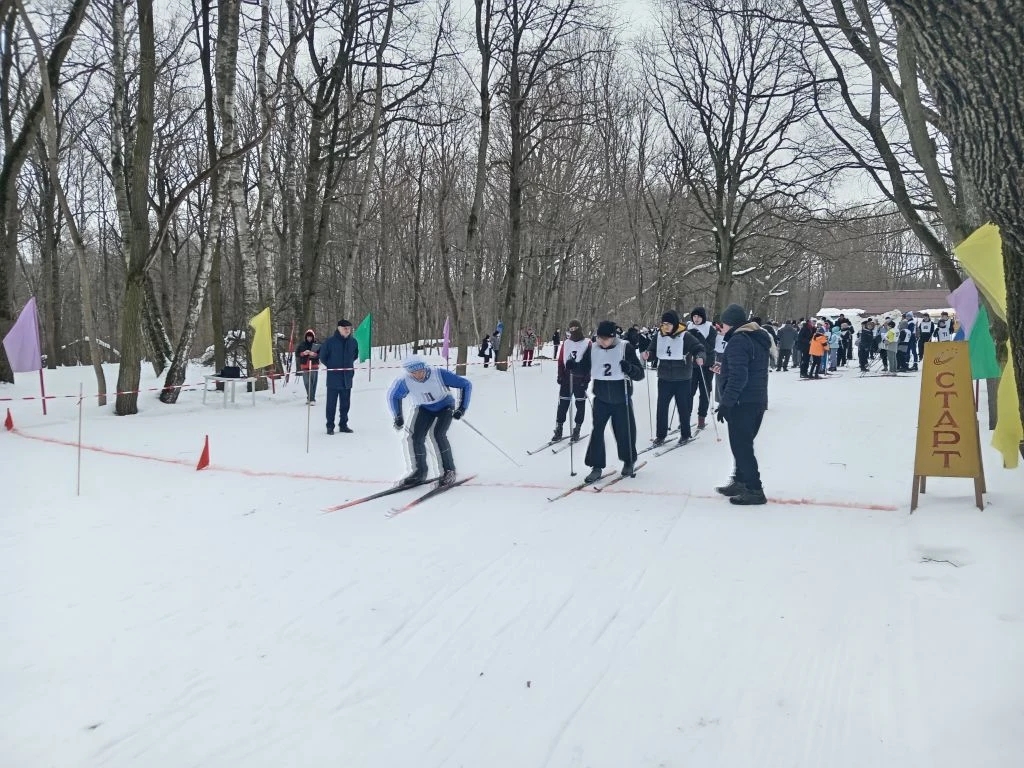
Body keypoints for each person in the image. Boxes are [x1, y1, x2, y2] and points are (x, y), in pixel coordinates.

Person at [566, 320, 645, 483]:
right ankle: (596, 466)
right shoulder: (593, 348)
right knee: (597, 431)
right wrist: (573, 366)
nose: (602, 341)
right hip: (601, 398)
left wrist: (629, 368)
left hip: (621, 398)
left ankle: (628, 461)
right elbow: (584, 367)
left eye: (606, 339)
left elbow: (640, 374)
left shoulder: (625, 348)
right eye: (599, 338)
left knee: (625, 431)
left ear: (613, 337)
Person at [714, 303, 770, 505]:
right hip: (756, 400)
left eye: (723, 324)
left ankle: (755, 489)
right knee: (743, 444)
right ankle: (740, 481)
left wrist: (727, 403)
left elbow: (739, 377)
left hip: (743, 402)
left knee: (742, 447)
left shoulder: (738, 340)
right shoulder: (756, 337)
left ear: (731, 323)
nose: (721, 328)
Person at [388, 356, 473, 488]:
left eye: (420, 371)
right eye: (414, 373)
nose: (418, 375)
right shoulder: (405, 381)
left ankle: (449, 471)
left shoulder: (438, 374)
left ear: (425, 368)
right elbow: (394, 396)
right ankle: (420, 473)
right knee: (416, 438)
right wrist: (398, 416)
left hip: (445, 406)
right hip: (425, 408)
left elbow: (466, 384)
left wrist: (462, 408)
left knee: (439, 434)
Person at [652, 310, 705, 445]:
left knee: (683, 407)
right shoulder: (659, 336)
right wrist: (647, 354)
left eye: (669, 324)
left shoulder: (685, 336)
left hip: (682, 378)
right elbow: (652, 350)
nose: (666, 326)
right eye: (664, 323)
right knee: (662, 408)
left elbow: (698, 348)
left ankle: (685, 434)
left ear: (675, 324)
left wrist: (700, 356)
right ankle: (660, 435)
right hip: (664, 378)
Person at [552, 319, 591, 442]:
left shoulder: (587, 343)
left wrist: (587, 378)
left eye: (575, 328)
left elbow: (590, 363)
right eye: (571, 329)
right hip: (566, 379)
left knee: (580, 405)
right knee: (563, 404)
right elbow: (560, 360)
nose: (573, 331)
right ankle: (559, 428)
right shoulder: (566, 343)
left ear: (580, 329)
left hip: (580, 380)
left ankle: (577, 429)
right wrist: (560, 375)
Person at [319, 319, 359, 434]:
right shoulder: (330, 342)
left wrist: (348, 365)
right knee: (331, 404)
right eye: (345, 328)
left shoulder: (353, 342)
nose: (347, 330)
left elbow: (355, 355)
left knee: (345, 404)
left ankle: (343, 424)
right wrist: (332, 366)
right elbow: (323, 356)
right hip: (334, 378)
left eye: (349, 328)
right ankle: (330, 426)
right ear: (339, 328)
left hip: (347, 378)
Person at [687, 307, 717, 429]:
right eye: (694, 316)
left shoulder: (710, 328)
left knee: (705, 391)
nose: (696, 319)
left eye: (699, 317)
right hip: (692, 365)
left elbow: (710, 347)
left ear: (703, 318)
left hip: (706, 364)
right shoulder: (688, 327)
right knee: (689, 392)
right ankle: (686, 417)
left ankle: (701, 418)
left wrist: (699, 337)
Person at [295, 328, 320, 404]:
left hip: (314, 365)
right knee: (306, 382)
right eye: (308, 337)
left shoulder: (317, 345)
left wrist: (314, 354)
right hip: (304, 366)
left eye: (311, 337)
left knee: (313, 383)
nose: (309, 338)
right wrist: (303, 353)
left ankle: (311, 399)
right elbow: (297, 353)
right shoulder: (301, 344)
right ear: (306, 337)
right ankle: (311, 398)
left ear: (313, 337)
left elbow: (321, 354)